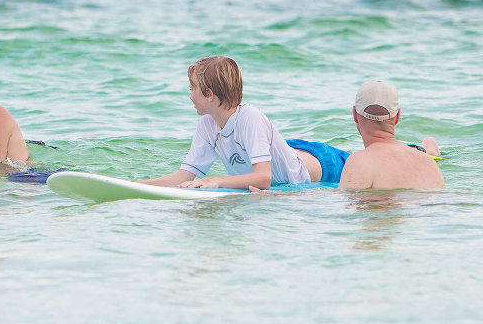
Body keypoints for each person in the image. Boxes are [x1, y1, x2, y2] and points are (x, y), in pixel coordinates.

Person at [141, 56, 350, 190]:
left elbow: (264, 178)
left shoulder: (250, 118)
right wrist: (135, 185)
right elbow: (182, 177)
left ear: (209, 94)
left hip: (326, 164)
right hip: (283, 152)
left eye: (192, 89)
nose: (190, 96)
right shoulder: (207, 124)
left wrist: (217, 180)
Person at [338, 80, 445, 190]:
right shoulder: (428, 163)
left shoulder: (360, 162)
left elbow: (345, 197)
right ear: (397, 117)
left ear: (355, 115)